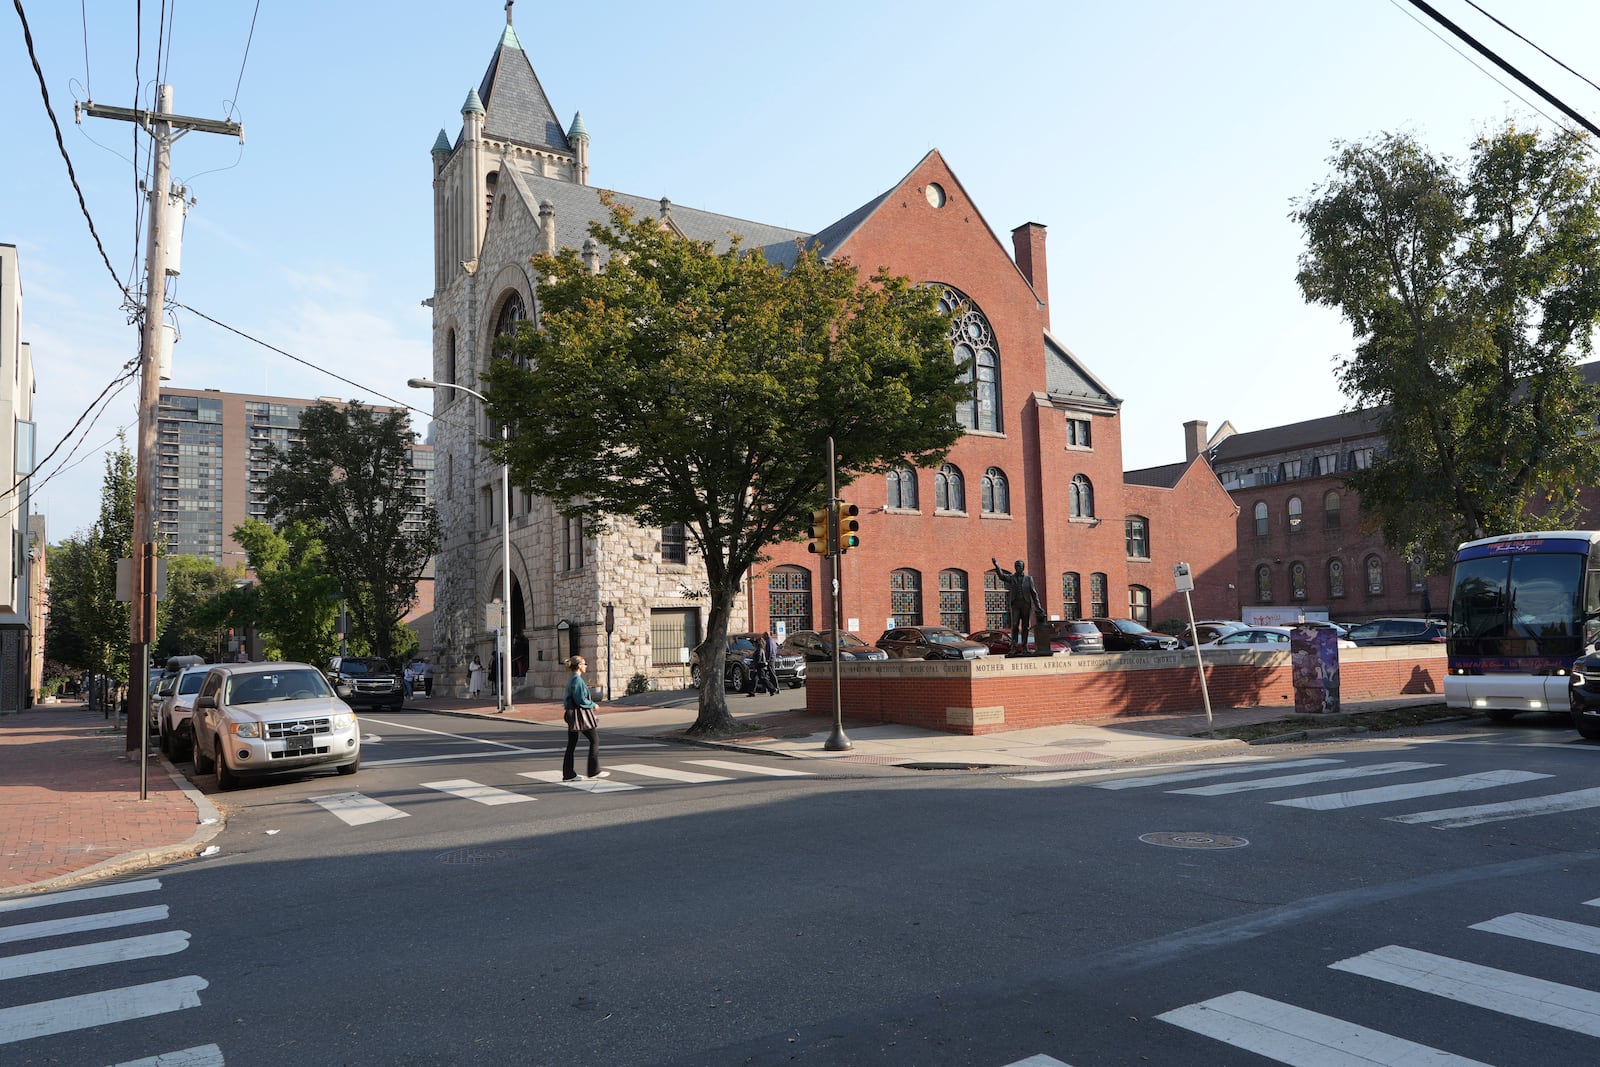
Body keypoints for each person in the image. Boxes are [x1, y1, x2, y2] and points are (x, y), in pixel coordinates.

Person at [561, 655, 607, 781]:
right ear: (579, 666)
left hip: (573, 714)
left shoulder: (572, 678)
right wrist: (593, 705)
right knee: (594, 740)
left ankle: (568, 773)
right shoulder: (577, 680)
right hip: (579, 715)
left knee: (572, 744)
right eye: (584, 664)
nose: (586, 666)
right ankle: (593, 770)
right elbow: (580, 699)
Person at [991, 557, 1045, 654]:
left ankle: (1024, 647)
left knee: (1025, 626)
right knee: (1015, 625)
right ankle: (1014, 647)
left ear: (1023, 567)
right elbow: (1002, 576)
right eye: (1016, 566)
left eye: (1019, 566)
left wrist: (1038, 607)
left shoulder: (1029, 579)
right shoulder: (1012, 578)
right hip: (1016, 605)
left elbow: (1034, 593)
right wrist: (997, 565)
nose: (1017, 568)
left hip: (1025, 605)